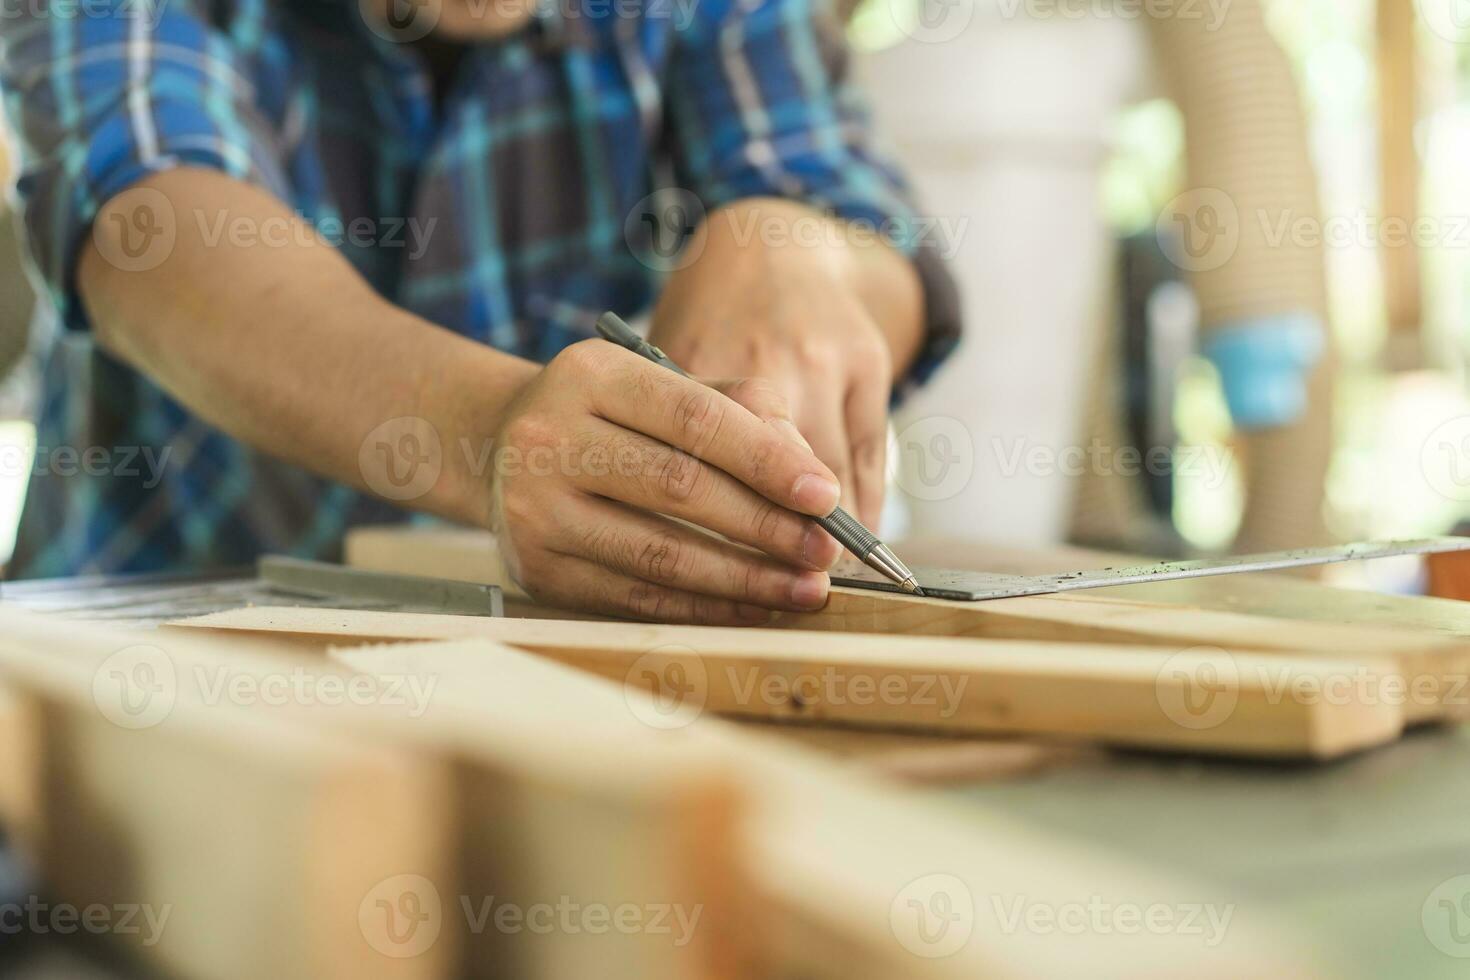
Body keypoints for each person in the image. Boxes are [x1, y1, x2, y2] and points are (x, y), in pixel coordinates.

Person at [0, 0, 958, 623]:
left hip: (554, 708)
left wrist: (798, 249)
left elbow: (873, 234)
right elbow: (149, 231)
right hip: (138, 681)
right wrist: (494, 436)